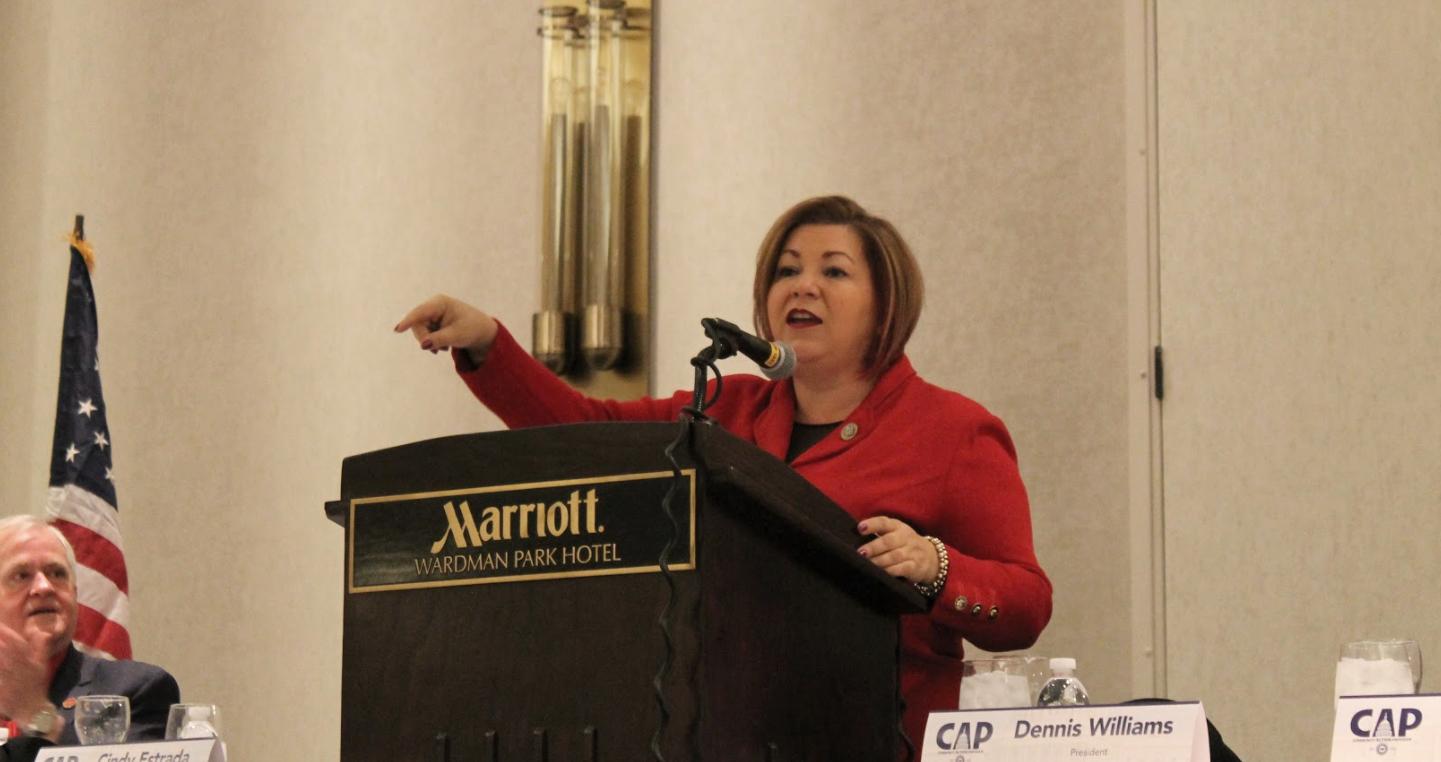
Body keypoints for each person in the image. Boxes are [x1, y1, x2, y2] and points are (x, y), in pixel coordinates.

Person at [395, 195, 1052, 748]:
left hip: (877, 739)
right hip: (726, 736)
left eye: (834, 270)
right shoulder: (721, 409)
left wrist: (935, 567)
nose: (803, 285)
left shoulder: (952, 430)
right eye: (787, 270)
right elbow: (588, 432)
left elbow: (1025, 604)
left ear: (886, 304)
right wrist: (487, 343)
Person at [0, 515, 179, 758]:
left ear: (74, 594)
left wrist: (35, 713)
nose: (44, 587)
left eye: (57, 573)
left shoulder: (132, 693)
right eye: (22, 575)